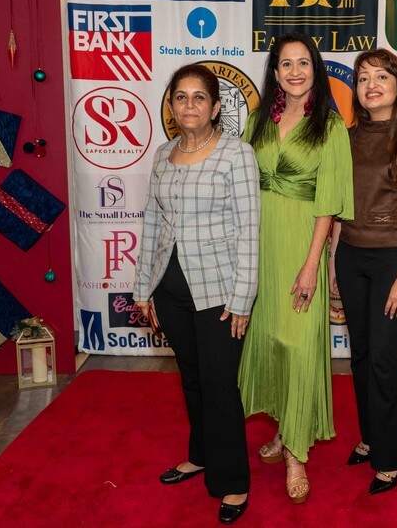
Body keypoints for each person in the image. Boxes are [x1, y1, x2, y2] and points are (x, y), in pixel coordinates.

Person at [133, 64, 260, 524]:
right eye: (181, 97)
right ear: (171, 106)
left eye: (199, 97)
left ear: (216, 106)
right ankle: (202, 455)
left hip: (220, 291)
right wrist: (143, 288)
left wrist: (243, 298)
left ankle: (233, 481)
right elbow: (152, 222)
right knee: (191, 377)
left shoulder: (236, 153)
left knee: (220, 385)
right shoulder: (163, 154)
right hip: (171, 287)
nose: (190, 105)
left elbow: (249, 230)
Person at [237, 31, 353, 505]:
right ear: (275, 72)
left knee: (299, 347)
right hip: (259, 244)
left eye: (303, 62)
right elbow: (240, 184)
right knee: (269, 342)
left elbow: (329, 203)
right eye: (286, 63)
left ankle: (296, 454)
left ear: (315, 68)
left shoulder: (331, 125)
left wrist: (312, 266)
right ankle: (285, 430)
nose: (295, 71)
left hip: (303, 243)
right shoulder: (257, 120)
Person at [330, 48, 397, 495]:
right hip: (351, 257)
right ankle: (371, 436)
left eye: (380, 77)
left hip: (395, 259)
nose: (370, 85)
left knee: (382, 358)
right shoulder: (346, 138)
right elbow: (339, 207)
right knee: (359, 356)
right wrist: (334, 261)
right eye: (363, 78)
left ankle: (391, 456)